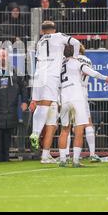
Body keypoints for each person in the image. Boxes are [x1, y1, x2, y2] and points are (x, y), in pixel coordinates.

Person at [29, 20, 81, 151]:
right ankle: (35, 133)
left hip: (38, 74)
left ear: (42, 31)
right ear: (54, 29)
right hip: (50, 75)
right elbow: (76, 42)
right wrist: (74, 57)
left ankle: (35, 132)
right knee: (46, 104)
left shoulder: (40, 41)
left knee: (40, 104)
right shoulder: (58, 36)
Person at [59, 45, 108, 167]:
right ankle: (76, 161)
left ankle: (62, 160)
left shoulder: (59, 65)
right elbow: (90, 72)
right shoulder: (77, 62)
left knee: (64, 129)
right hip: (77, 97)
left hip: (64, 98)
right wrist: (104, 77)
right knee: (79, 130)